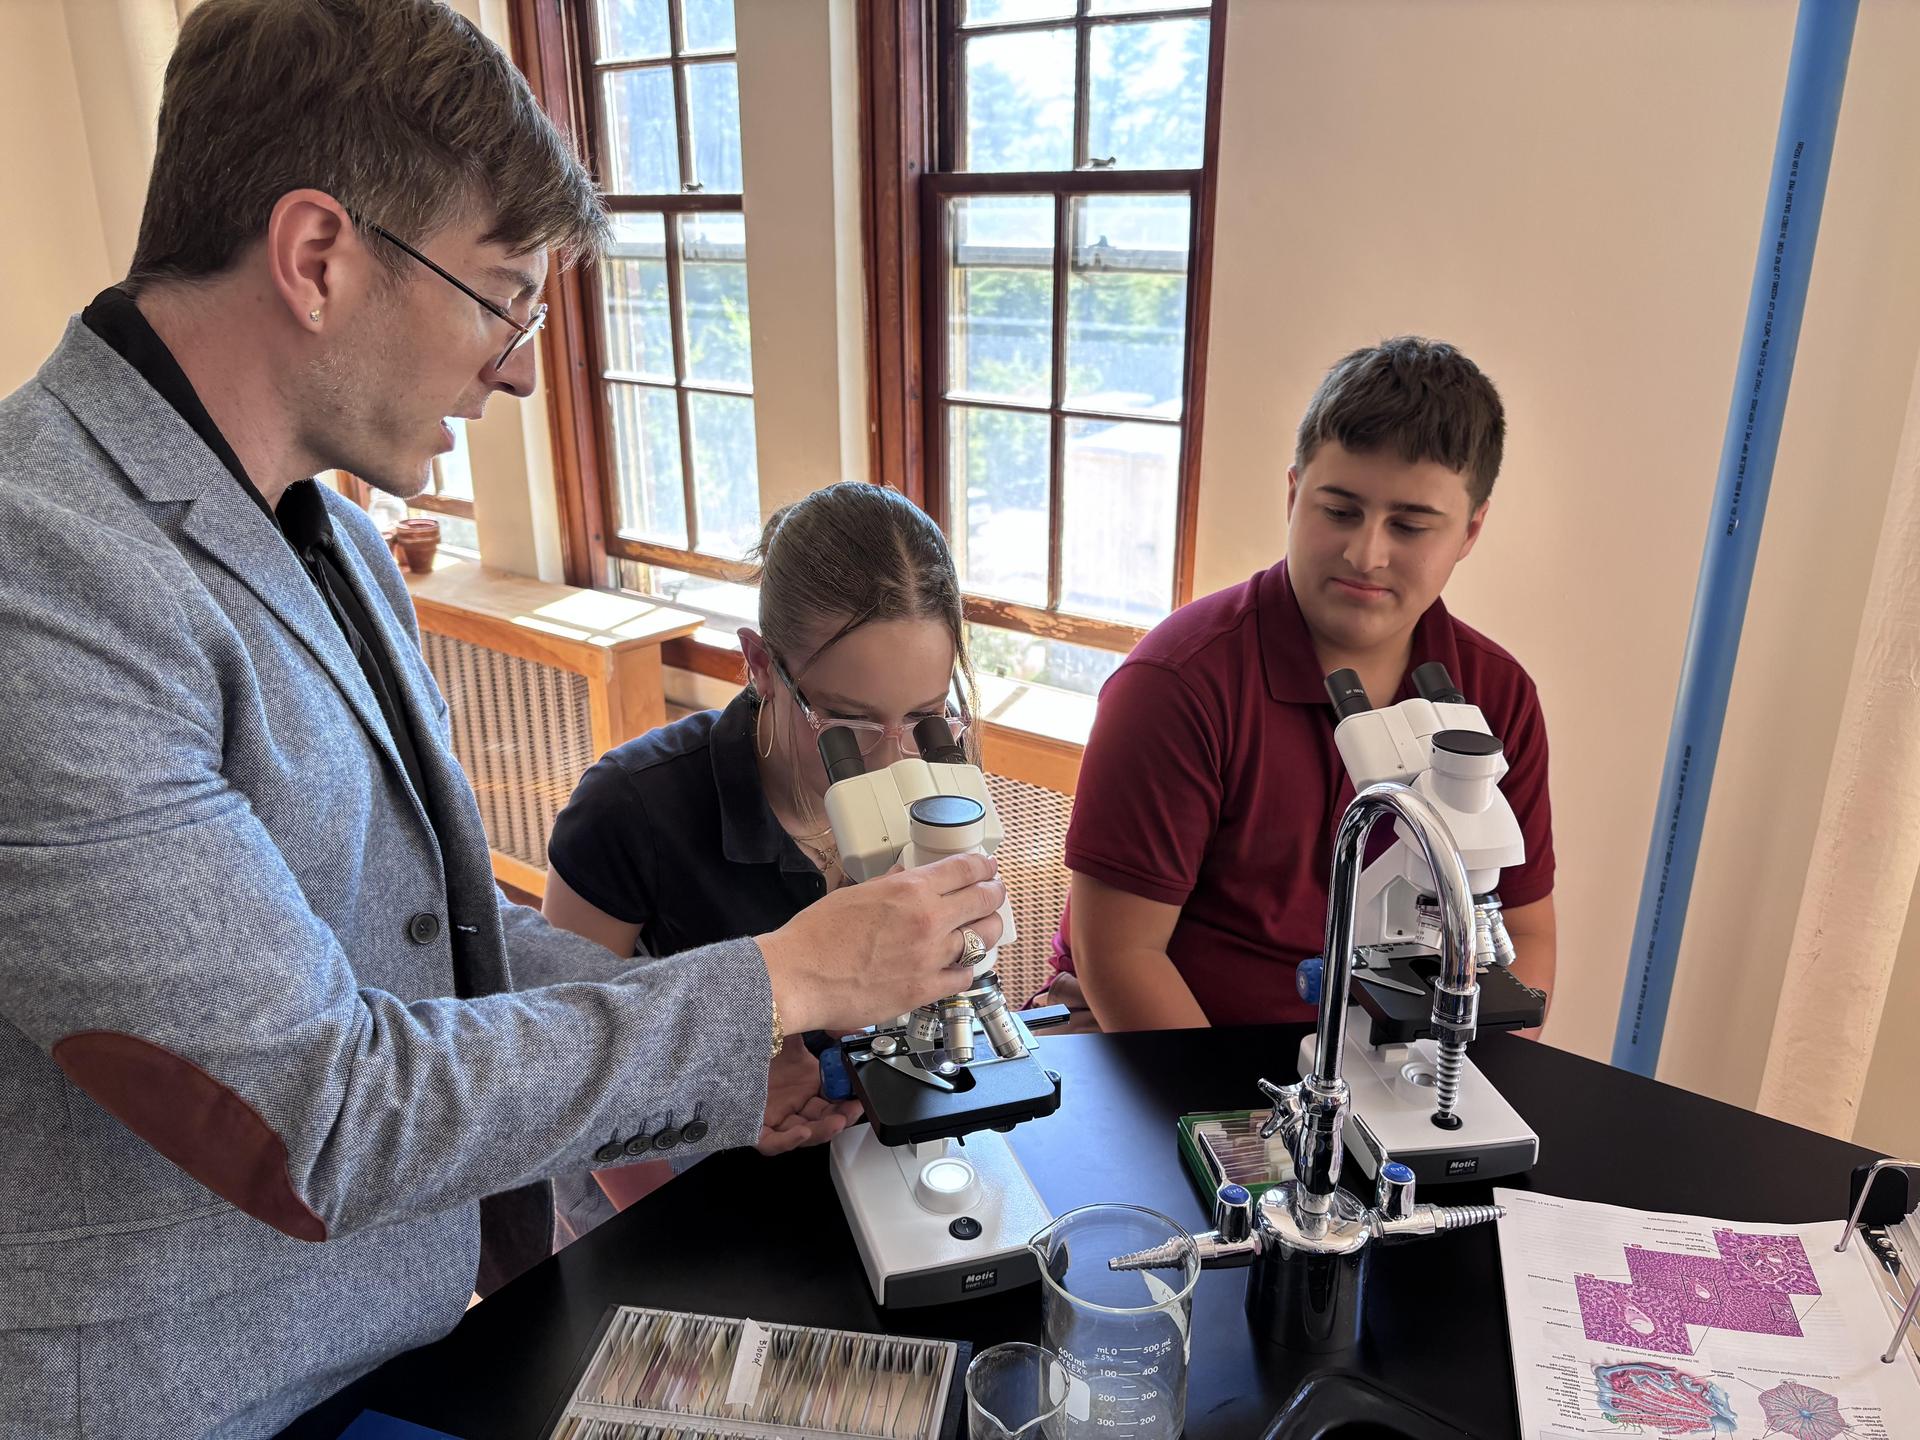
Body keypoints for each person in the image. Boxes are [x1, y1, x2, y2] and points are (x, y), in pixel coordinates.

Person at [0, 4, 1004, 1435]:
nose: (524, 367)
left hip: (392, 1338)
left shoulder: (328, 540)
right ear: (316, 258)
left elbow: (441, 941)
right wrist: (779, 982)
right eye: (501, 297)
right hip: (196, 1397)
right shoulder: (42, 575)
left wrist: (726, 1071)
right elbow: (323, 1113)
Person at [1047, 337, 1555, 1031]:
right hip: (1170, 1059)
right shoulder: (1178, 686)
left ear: (1470, 531)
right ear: (1293, 494)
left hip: (1390, 1067)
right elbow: (1120, 956)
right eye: (1339, 511)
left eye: (1409, 525)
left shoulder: (1497, 698)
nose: (1365, 554)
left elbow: (1526, 935)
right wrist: (1244, 1135)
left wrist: (1458, 1085)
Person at [540, 481, 981, 1235]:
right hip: (655, 1177)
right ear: (758, 664)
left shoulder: (933, 775)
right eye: (847, 721)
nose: (891, 760)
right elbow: (560, 1064)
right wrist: (713, 1091)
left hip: (845, 1155)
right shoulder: (630, 808)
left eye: (922, 716)